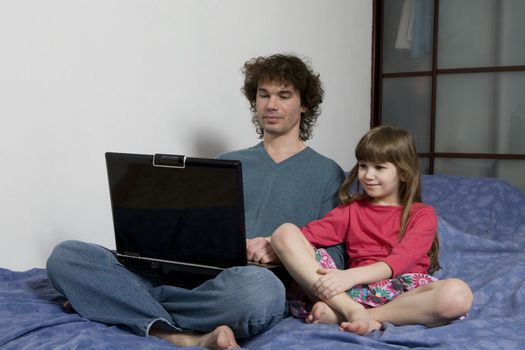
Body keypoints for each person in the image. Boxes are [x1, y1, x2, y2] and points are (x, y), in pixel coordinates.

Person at [46, 53, 345, 349]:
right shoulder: (226, 163)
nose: (271, 104)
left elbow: (336, 257)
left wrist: (280, 249)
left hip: (247, 285)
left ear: (305, 104)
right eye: (263, 94)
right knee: (67, 256)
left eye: (284, 95)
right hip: (193, 279)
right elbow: (190, 231)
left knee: (261, 293)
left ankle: (115, 300)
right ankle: (179, 334)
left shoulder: (326, 173)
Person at [271, 125, 473, 335]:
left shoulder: (422, 214)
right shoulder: (352, 209)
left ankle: (357, 316)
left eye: (379, 167)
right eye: (363, 166)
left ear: (403, 173)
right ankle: (351, 310)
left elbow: (401, 260)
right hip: (350, 293)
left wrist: (350, 276)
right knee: (284, 232)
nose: (367, 175)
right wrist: (266, 241)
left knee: (458, 294)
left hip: (403, 295)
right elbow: (307, 235)